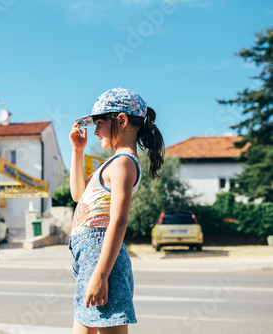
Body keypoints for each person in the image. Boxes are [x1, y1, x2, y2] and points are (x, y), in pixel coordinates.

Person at [68, 87, 164, 334]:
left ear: (121, 121)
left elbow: (118, 222)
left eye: (99, 123)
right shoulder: (111, 163)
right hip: (90, 259)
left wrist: (101, 275)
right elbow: (78, 194)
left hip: (102, 260)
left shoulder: (123, 163)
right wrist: (77, 151)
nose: (96, 131)